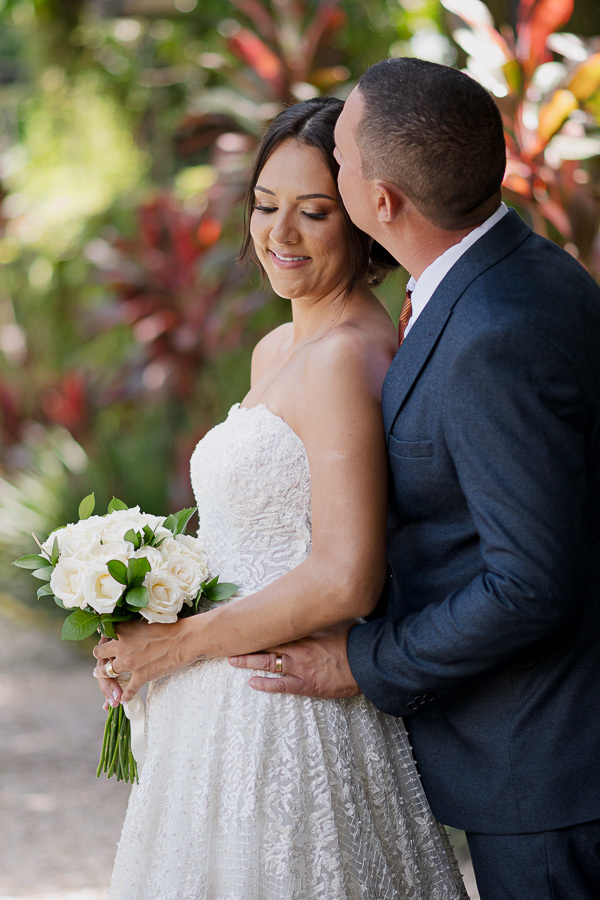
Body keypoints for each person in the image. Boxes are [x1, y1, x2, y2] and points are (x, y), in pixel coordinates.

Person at [230, 60, 600, 899]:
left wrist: (367, 661)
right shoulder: (519, 274)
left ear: (379, 202)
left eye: (342, 167)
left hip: (549, 771)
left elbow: (529, 585)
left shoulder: (492, 334)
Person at [93, 96, 467, 899]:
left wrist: (182, 643)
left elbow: (344, 577)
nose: (279, 235)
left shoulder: (346, 358)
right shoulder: (277, 347)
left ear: (366, 220)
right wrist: (146, 621)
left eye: (313, 213)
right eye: (265, 206)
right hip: (218, 705)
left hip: (289, 712)